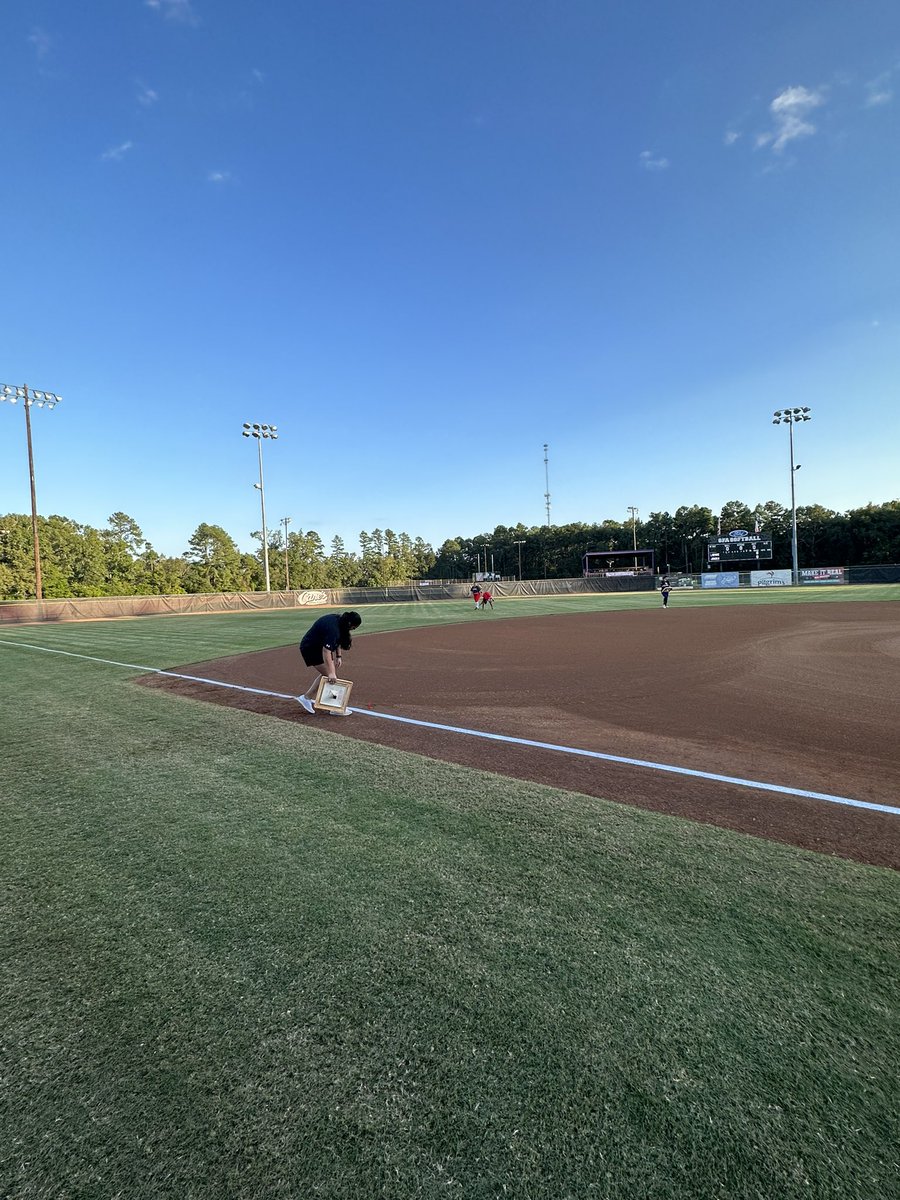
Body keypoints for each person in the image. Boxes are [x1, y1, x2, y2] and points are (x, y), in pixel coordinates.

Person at [297, 611, 362, 715]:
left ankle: (306, 698)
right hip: (310, 648)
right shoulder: (334, 629)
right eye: (353, 628)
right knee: (330, 676)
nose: (352, 630)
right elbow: (327, 651)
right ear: (349, 624)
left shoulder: (339, 621)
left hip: (316, 646)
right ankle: (334, 708)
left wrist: (339, 656)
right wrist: (332, 673)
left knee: (327, 674)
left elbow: (337, 641)